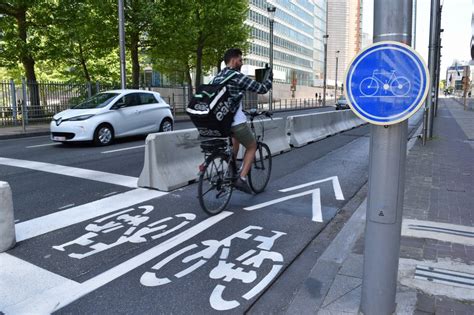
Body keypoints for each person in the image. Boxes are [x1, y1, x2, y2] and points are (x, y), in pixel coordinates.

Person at [212, 48, 272, 194]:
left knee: (235, 142)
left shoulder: (217, 77)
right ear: (233, 60)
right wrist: (269, 78)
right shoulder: (237, 76)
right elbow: (262, 88)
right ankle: (242, 178)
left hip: (220, 122)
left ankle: (231, 171)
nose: (241, 63)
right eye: (240, 59)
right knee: (252, 146)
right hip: (236, 122)